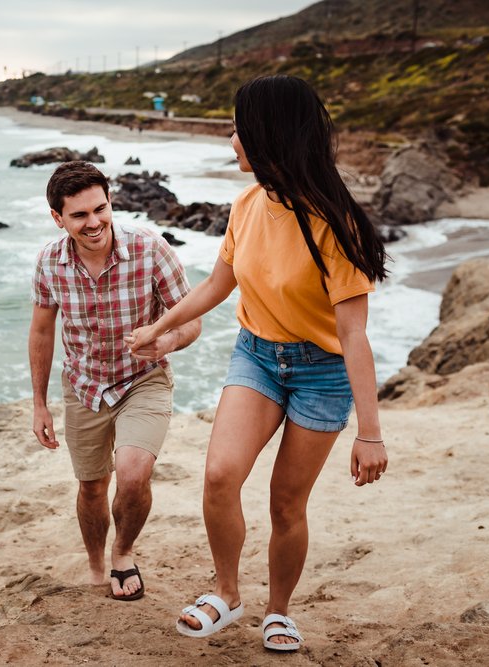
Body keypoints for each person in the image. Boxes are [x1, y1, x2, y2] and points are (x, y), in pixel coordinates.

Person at [126, 75, 389, 651]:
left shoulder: (333, 222)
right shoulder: (246, 205)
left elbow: (354, 333)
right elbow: (219, 284)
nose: (232, 140)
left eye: (240, 129)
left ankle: (279, 610)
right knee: (221, 475)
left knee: (286, 503)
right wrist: (160, 326)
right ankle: (227, 593)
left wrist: (370, 433)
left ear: (269, 135)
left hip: (322, 372)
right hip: (258, 356)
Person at [29, 160, 201, 601]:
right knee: (91, 486)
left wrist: (166, 342)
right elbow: (43, 330)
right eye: (80, 215)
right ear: (58, 218)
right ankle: (93, 561)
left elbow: (191, 322)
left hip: (143, 378)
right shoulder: (49, 261)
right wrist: (39, 403)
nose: (94, 223)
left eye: (100, 209)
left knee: (132, 473)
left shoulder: (151, 248)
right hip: (83, 382)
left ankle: (122, 554)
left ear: (111, 202)